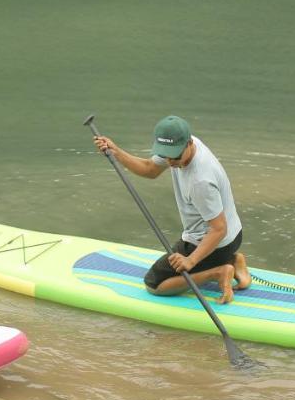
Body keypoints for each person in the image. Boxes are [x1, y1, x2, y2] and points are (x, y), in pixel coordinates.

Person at [93, 115, 250, 304]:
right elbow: (150, 169)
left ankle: (219, 272)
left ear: (189, 143)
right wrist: (116, 152)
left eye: (175, 156)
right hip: (233, 236)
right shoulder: (182, 144)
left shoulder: (201, 181)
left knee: (155, 284)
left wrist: (190, 261)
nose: (170, 161)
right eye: (165, 155)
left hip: (215, 242)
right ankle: (234, 260)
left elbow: (218, 229)